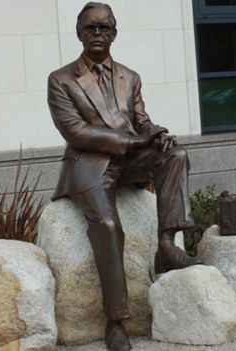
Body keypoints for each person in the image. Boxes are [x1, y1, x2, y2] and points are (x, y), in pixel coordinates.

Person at [47, 3, 202, 350]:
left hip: (130, 160)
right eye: (91, 28)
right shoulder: (60, 80)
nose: (98, 34)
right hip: (89, 163)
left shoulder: (129, 77)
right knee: (107, 224)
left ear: (114, 34)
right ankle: (115, 321)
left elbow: (141, 120)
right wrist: (135, 140)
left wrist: (155, 133)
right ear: (79, 33)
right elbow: (76, 132)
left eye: (104, 28)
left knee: (176, 154)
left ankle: (165, 246)